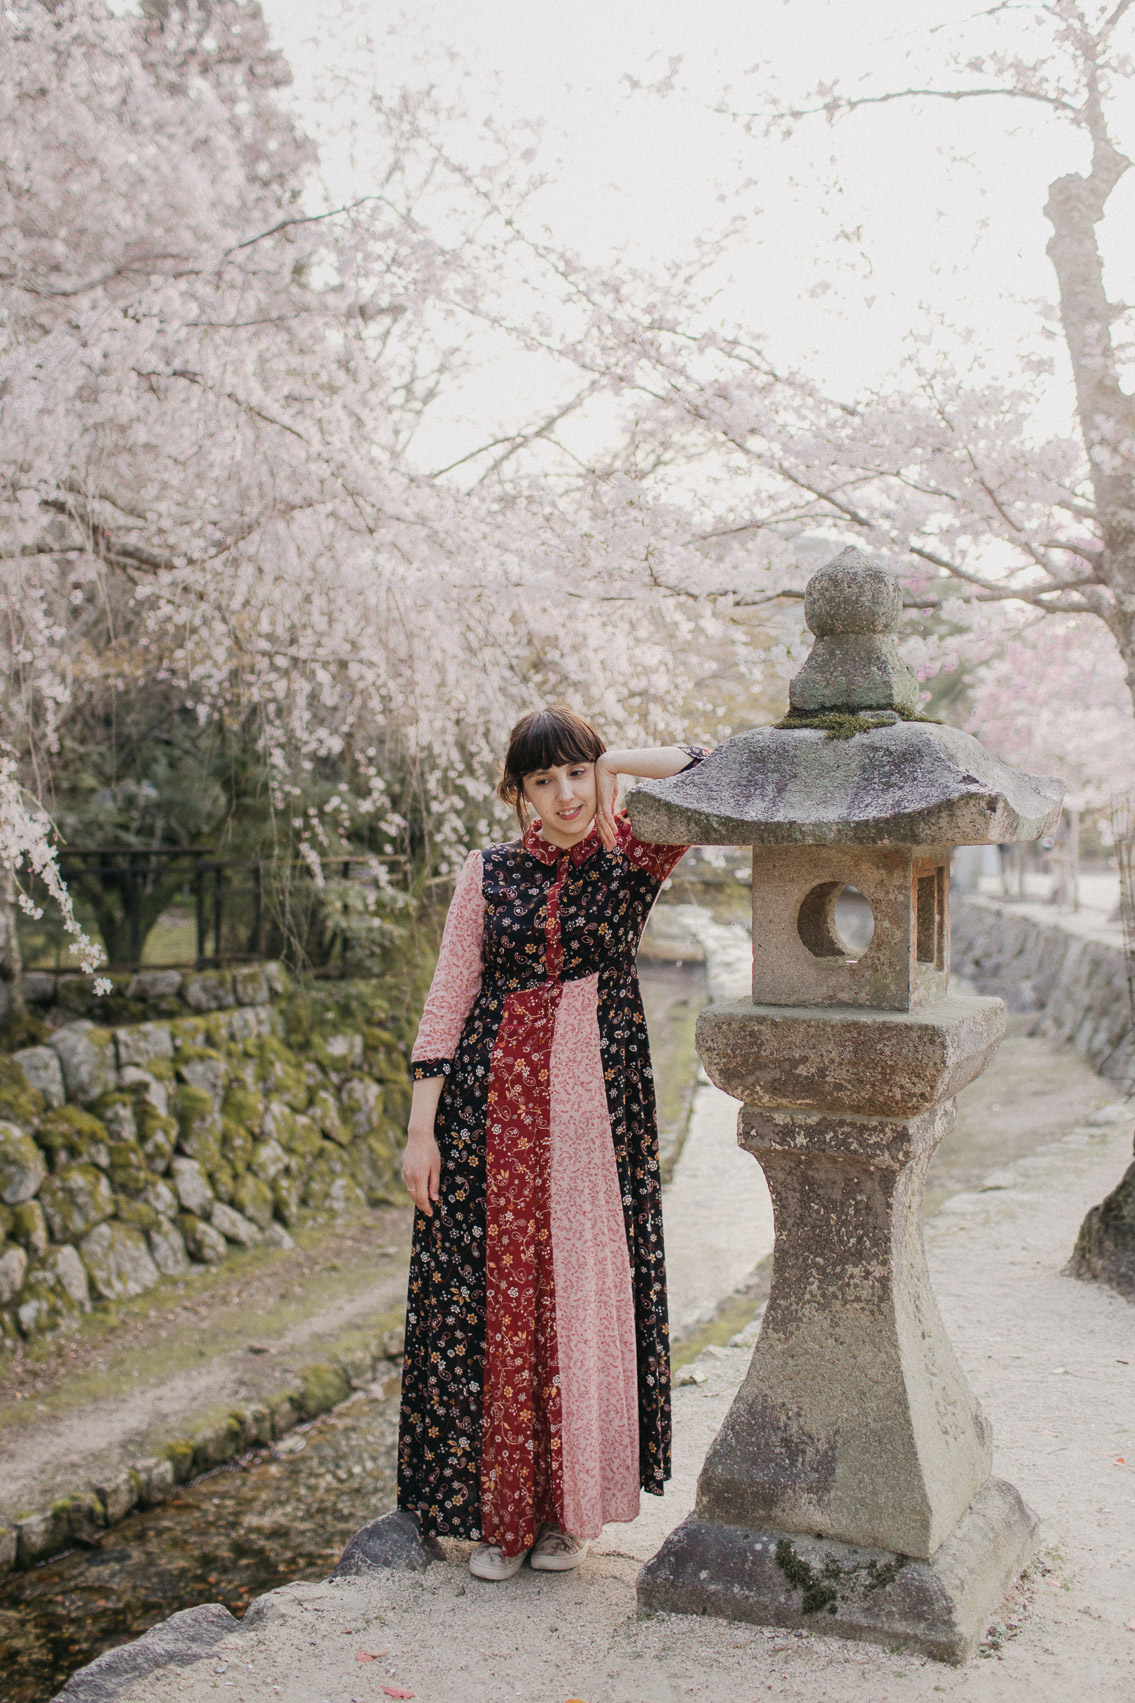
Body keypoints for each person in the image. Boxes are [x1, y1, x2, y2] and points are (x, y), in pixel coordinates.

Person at [396, 705, 707, 1581]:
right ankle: (504, 1514)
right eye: (545, 779)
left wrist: (613, 761)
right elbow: (447, 996)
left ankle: (568, 1514)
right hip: (488, 1113)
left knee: (578, 1288)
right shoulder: (486, 872)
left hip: (594, 1115)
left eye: (577, 773)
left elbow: (708, 765)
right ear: (518, 792)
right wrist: (421, 1132)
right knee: (499, 1298)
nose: (566, 794)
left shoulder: (633, 853)